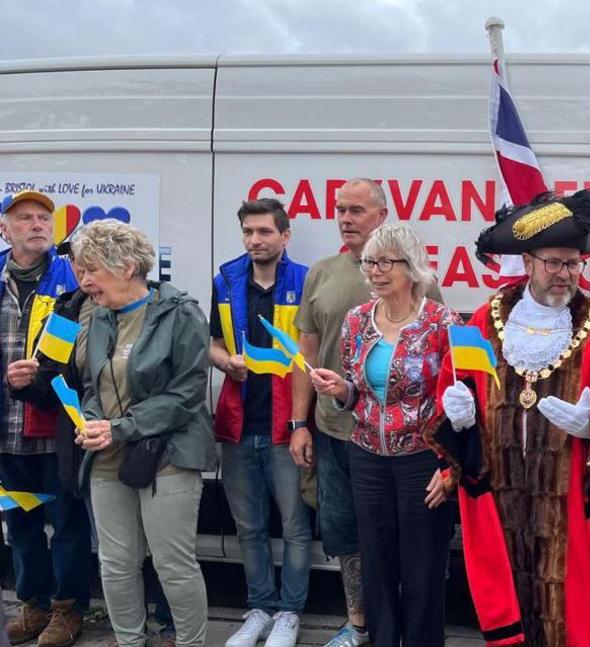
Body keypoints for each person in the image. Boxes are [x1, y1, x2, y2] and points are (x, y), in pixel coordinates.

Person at [432, 190, 590, 646]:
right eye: (555, 263)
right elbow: (457, 381)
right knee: (508, 610)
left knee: (573, 617)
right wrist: (460, 418)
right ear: (528, 264)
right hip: (501, 490)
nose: (566, 275)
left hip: (568, 502)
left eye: (575, 264)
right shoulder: (489, 317)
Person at [310, 223, 458, 646]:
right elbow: (358, 391)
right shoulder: (357, 321)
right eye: (369, 262)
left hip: (422, 460)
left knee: (423, 567)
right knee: (376, 564)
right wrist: (341, 390)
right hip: (367, 456)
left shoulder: (441, 321)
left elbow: (460, 397)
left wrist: (449, 462)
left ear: (410, 268)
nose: (374, 270)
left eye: (385, 262)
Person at [71, 220, 215, 647]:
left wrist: (120, 427)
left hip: (167, 453)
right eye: (81, 271)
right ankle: (130, 641)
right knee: (116, 563)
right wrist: (92, 423)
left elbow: (187, 392)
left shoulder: (180, 312)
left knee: (173, 564)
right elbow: (90, 386)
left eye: (92, 269)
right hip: (109, 455)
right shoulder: (97, 318)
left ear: (128, 265)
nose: (85, 281)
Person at [288, 179, 386, 647]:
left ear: (381, 216)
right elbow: (304, 354)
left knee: (387, 533)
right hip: (331, 430)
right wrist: (299, 424)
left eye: (357, 210)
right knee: (344, 532)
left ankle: (391, 622)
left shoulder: (412, 275)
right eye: (340, 210)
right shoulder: (321, 273)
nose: (346, 218)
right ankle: (358, 624)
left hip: (390, 436)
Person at [210, 199, 311, 647]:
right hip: (238, 422)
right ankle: (259, 609)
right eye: (249, 232)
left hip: (285, 425)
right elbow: (211, 343)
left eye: (265, 232)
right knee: (247, 526)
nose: (255, 240)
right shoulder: (226, 280)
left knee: (293, 526)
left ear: (284, 236)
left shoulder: (305, 280)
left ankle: (290, 614)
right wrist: (225, 362)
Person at [0, 190, 91, 647]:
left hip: (54, 425)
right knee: (20, 523)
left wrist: (47, 373)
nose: (37, 224)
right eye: (24, 218)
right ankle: (33, 604)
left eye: (43, 218)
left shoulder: (72, 278)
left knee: (68, 522)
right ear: (4, 229)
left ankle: (68, 610)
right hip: (5, 430)